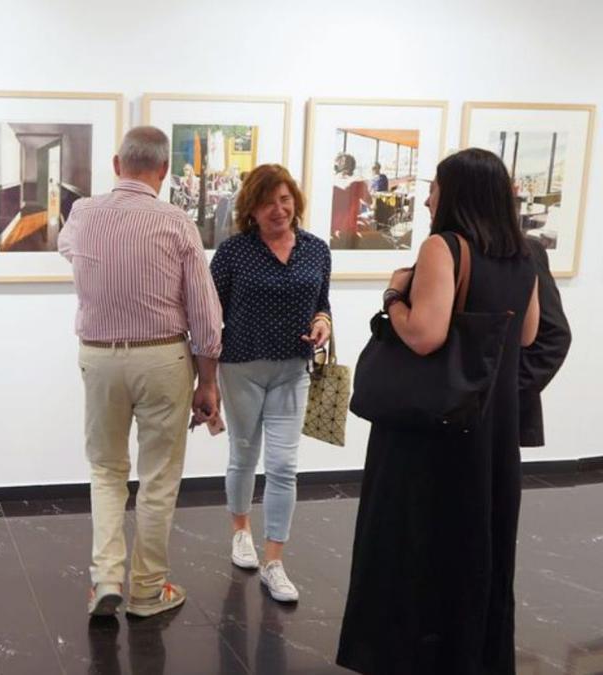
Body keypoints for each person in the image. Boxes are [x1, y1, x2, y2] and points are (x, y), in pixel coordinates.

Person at [337, 148, 541, 674]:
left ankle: (410, 658)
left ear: (458, 194)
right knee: (478, 552)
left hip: (431, 434)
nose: (427, 197)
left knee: (415, 549)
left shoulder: (443, 246)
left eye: (435, 186)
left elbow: (425, 335)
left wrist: (393, 297)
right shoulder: (524, 253)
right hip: (490, 431)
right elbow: (527, 333)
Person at [59, 126, 223, 618]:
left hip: (100, 356)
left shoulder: (83, 213)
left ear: (116, 164)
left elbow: (68, 249)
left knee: (106, 470)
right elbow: (206, 316)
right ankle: (148, 589)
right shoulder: (176, 223)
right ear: (164, 170)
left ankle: (106, 578)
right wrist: (208, 381)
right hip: (163, 358)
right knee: (157, 478)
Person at [208, 163, 332, 603]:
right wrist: (204, 382)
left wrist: (322, 322)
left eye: (285, 199)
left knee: (283, 466)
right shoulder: (234, 253)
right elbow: (210, 316)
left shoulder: (316, 249)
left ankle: (274, 562)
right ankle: (241, 530)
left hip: (292, 370)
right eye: (268, 202)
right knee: (244, 454)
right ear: (252, 209)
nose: (279, 209)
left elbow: (323, 304)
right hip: (241, 367)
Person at [519, 238, 571, 446]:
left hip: (490, 410)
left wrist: (506, 391)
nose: (426, 202)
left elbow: (554, 335)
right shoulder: (445, 246)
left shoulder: (522, 250)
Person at [331, 154, 371, 246]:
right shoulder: (359, 182)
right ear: (353, 166)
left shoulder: (329, 181)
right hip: (349, 232)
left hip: (330, 232)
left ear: (336, 166)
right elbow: (369, 202)